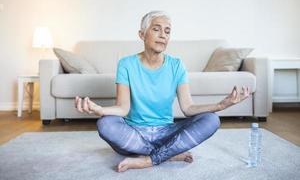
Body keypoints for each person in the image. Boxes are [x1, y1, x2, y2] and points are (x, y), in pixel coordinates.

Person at [75, 11, 250, 172]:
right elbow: (122, 108)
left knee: (211, 119)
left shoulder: (176, 65)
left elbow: (188, 108)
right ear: (142, 34)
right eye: (156, 29)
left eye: (167, 31)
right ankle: (169, 153)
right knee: (105, 124)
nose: (163, 35)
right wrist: (100, 110)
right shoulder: (126, 64)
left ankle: (149, 159)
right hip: (135, 132)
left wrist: (221, 105)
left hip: (166, 132)